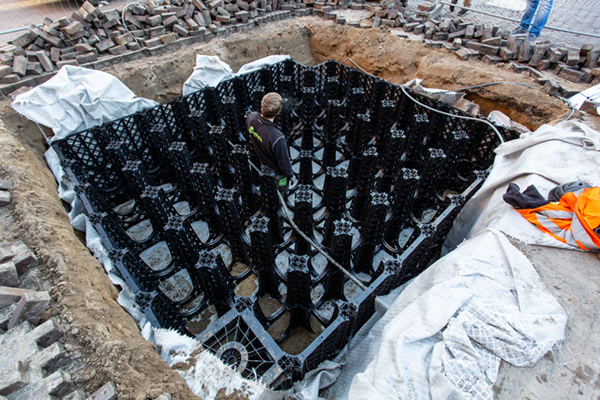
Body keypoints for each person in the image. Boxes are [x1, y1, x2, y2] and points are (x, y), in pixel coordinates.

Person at [246, 92, 295, 191]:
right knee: (280, 190)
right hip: (277, 173)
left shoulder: (251, 117)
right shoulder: (277, 137)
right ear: (278, 112)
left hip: (262, 162)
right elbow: (283, 162)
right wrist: (290, 175)